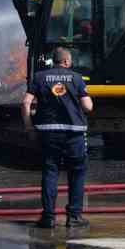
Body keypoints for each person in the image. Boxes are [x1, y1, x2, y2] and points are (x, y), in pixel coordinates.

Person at [23, 46, 93, 229]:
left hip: (48, 132)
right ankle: (74, 217)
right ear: (67, 62)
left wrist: (29, 127)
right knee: (77, 173)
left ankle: (48, 218)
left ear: (53, 61)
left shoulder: (39, 77)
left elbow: (26, 103)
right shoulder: (76, 78)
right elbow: (88, 107)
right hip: (74, 132)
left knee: (50, 172)